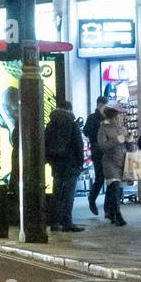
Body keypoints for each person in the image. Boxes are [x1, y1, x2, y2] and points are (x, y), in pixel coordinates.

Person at [43, 98, 85, 232]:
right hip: (71, 163)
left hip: (56, 163)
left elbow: (45, 143)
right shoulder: (72, 124)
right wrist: (80, 163)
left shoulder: (51, 124)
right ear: (69, 110)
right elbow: (79, 145)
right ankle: (67, 222)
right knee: (68, 194)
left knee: (57, 193)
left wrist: (49, 160)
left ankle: (54, 222)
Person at [95, 105, 128, 226]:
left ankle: (110, 211)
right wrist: (116, 141)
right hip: (110, 162)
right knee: (114, 188)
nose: (119, 119)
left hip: (122, 161)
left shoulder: (122, 128)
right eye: (117, 117)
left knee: (115, 190)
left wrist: (129, 140)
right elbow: (102, 146)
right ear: (112, 117)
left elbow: (127, 145)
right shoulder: (103, 129)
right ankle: (118, 215)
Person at [83, 95, 108, 215]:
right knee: (100, 177)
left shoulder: (108, 118)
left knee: (110, 179)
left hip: (108, 151)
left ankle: (109, 208)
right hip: (98, 151)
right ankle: (92, 198)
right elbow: (86, 131)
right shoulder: (92, 118)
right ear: (99, 105)